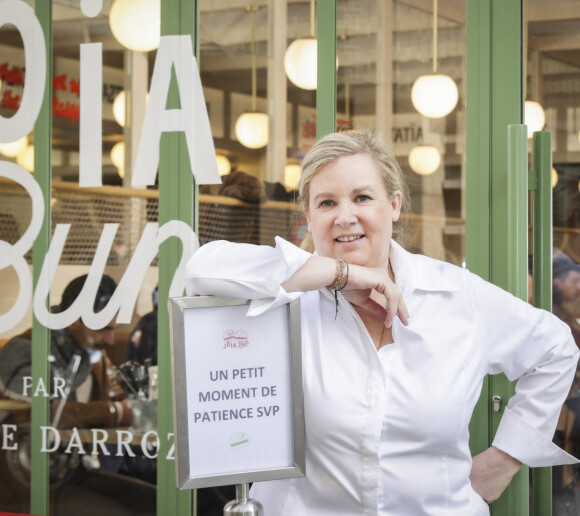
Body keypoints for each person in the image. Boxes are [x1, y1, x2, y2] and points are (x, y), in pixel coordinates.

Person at [185, 131, 579, 516]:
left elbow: (555, 350)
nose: (344, 216)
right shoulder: (287, 296)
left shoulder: (456, 296)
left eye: (362, 197)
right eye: (326, 203)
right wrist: (343, 274)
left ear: (394, 204)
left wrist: (503, 460)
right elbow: (200, 269)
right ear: (308, 216)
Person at [0, 274, 156, 516]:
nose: (111, 339)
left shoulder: (89, 353)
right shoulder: (25, 352)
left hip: (70, 471)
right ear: (73, 320)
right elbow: (45, 416)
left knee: (155, 501)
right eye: (104, 329)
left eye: (115, 329)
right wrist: (117, 412)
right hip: (28, 486)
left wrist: (151, 411)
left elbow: (116, 397)